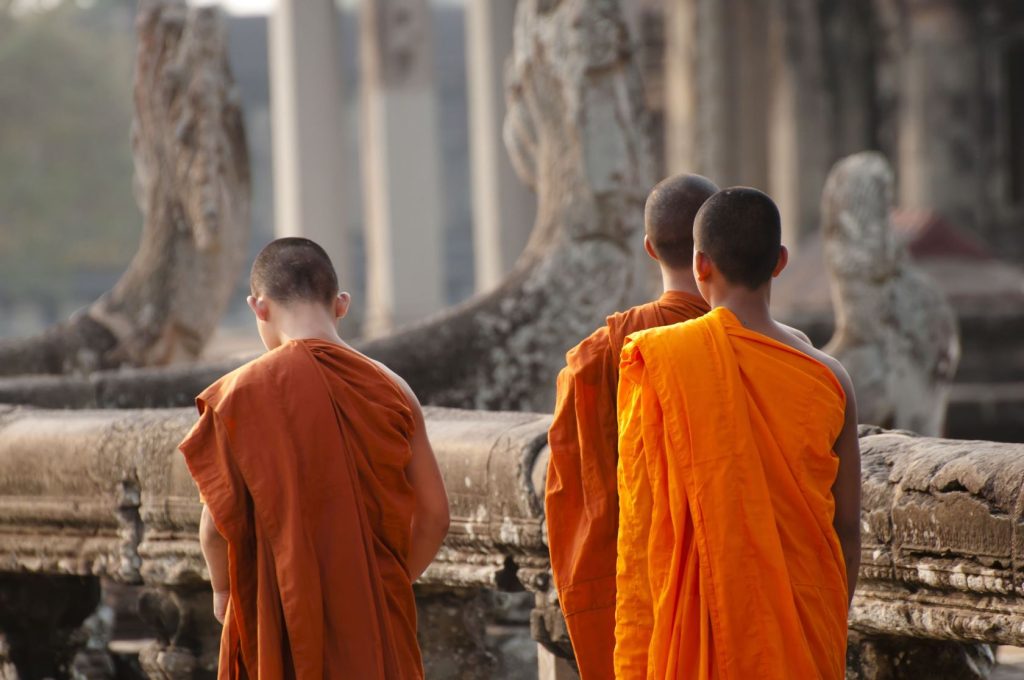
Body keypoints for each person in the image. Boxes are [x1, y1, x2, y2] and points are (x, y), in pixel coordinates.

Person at [614, 187, 861, 679]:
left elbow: (642, 521)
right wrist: (822, 617)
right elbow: (848, 529)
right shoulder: (829, 377)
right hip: (804, 633)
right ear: (781, 261)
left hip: (692, 633)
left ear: (699, 264)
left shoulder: (662, 362)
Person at [178, 237, 450, 678]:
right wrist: (387, 587)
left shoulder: (239, 396)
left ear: (258, 308)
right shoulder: (393, 389)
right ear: (341, 304)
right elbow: (436, 516)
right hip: (373, 618)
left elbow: (214, 528)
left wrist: (223, 592)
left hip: (278, 613)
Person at [546, 173, 719, 679]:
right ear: (715, 244)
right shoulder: (755, 351)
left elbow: (575, 499)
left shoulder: (599, 356)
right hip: (729, 587)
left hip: (636, 597)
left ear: (649, 248)